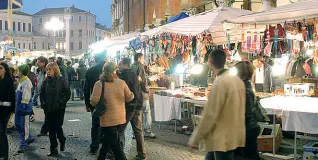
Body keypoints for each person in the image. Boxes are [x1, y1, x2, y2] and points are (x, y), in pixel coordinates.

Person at [188, 50, 246, 160]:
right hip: (234, 135)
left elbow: (210, 115)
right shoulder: (237, 81)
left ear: (210, 61)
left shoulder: (220, 83)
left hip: (222, 138)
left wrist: (195, 139)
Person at [90, 62, 134, 160]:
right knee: (108, 141)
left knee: (116, 146)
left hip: (107, 119)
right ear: (115, 70)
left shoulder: (99, 84)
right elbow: (129, 98)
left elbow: (93, 101)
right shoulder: (121, 82)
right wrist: (132, 94)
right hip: (120, 118)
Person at [118, 58, 147, 159]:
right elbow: (139, 91)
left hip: (128, 107)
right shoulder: (134, 75)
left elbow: (125, 93)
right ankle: (142, 154)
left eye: (120, 64)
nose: (118, 66)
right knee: (138, 131)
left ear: (124, 64)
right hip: (137, 106)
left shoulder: (122, 76)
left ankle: (115, 153)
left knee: (120, 130)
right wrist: (139, 104)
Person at [40, 62, 71, 156]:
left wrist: (60, 103)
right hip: (48, 109)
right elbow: (42, 94)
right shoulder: (45, 81)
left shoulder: (62, 80)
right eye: (47, 69)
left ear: (55, 70)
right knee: (51, 129)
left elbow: (67, 94)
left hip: (59, 109)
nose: (48, 71)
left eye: (50, 69)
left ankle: (62, 139)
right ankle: (53, 148)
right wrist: (44, 104)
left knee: (57, 127)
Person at [234, 61, 261, 160]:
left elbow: (246, 114)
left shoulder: (243, 88)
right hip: (250, 127)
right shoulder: (248, 85)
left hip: (247, 129)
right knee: (251, 154)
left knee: (247, 156)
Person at [84, 52, 107, 155]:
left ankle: (94, 146)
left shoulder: (90, 70)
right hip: (108, 100)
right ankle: (105, 144)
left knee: (95, 124)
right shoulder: (109, 70)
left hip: (95, 101)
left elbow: (86, 89)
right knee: (108, 123)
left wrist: (87, 103)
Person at [15, 64, 35, 153]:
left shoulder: (26, 82)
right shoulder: (21, 81)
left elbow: (26, 98)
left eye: (18, 70)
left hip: (24, 108)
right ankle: (29, 137)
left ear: (21, 72)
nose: (16, 72)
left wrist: (22, 107)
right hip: (19, 108)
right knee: (18, 124)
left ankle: (24, 144)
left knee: (24, 126)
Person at [0, 62, 15, 160]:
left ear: (5, 69)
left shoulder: (9, 81)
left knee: (1, 132)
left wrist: (12, 112)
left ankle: (5, 154)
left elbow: (13, 97)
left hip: (5, 111)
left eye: (0, 68)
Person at [36, 56, 49, 137]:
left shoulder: (46, 72)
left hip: (46, 96)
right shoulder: (40, 71)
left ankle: (44, 130)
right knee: (48, 114)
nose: (37, 63)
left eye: (38, 61)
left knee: (48, 114)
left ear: (43, 63)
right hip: (42, 95)